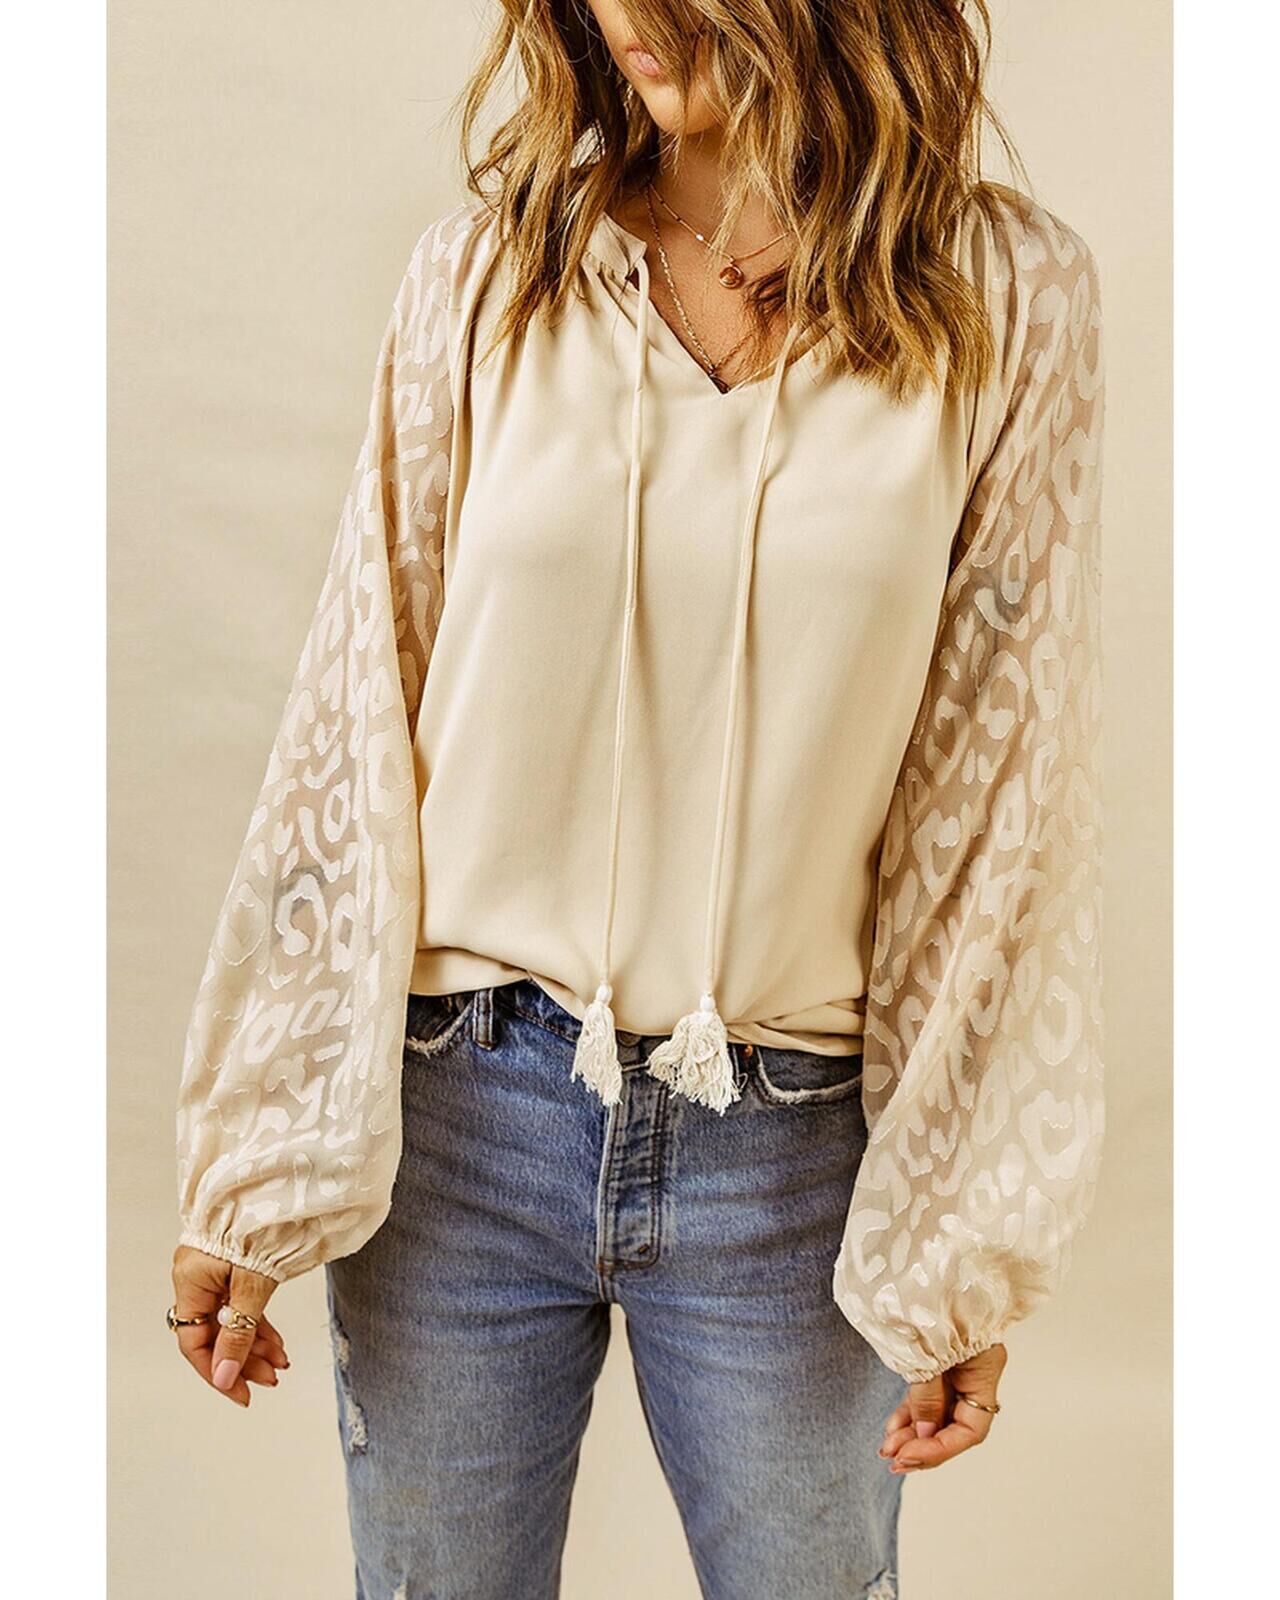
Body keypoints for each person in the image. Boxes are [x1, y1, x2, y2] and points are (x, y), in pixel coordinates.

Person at [168, 2, 1107, 1595]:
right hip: (460, 1115)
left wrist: (957, 1240)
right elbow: (357, 707)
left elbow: (1001, 774)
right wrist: (256, 1163)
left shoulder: (1000, 298)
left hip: (793, 1150)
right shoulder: (491, 275)